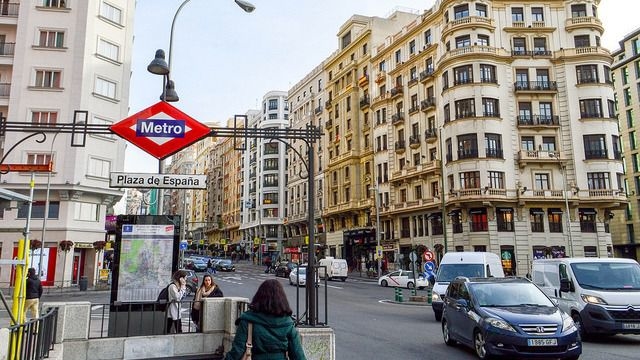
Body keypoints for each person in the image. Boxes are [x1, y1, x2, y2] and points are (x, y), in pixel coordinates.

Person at [224, 279, 306, 360]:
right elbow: (298, 355)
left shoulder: (248, 320)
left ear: (259, 297)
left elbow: (237, 351)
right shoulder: (288, 323)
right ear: (282, 299)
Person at [166, 269, 187, 334]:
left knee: (177, 329)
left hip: (177, 310)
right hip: (172, 310)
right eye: (185, 278)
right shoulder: (172, 286)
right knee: (170, 329)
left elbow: (183, 297)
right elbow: (178, 297)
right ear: (180, 278)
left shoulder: (178, 286)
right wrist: (183, 286)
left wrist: (183, 287)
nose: (185, 280)